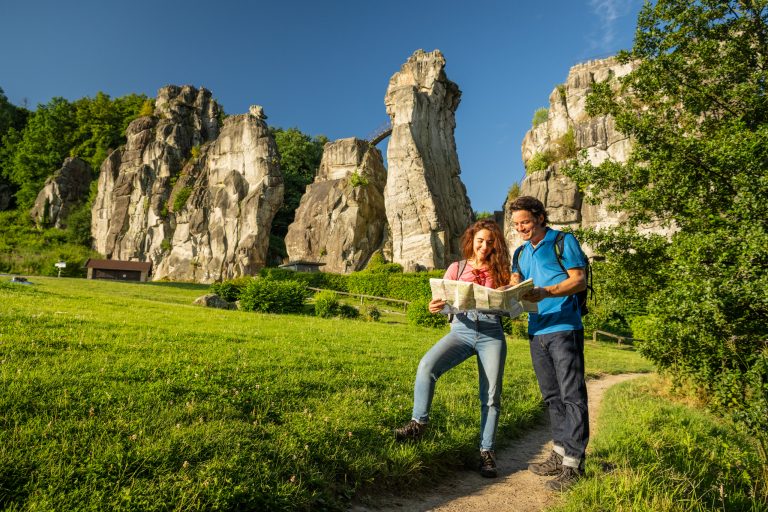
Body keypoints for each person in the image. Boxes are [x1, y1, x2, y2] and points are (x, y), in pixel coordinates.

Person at [394, 219, 512, 478]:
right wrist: (434, 306)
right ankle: (418, 423)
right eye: (480, 241)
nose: (484, 246)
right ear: (472, 240)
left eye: (490, 242)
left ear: (496, 244)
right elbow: (443, 302)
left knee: (491, 395)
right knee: (427, 365)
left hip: (492, 333)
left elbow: (512, 306)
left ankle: (487, 452)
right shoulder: (456, 268)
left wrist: (510, 292)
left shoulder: (503, 269)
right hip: (461, 330)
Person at [509, 196, 589, 492]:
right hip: (536, 329)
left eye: (526, 222)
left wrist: (546, 292)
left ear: (540, 217)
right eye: (517, 225)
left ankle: (574, 465)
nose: (521, 229)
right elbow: (520, 285)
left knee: (572, 396)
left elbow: (578, 280)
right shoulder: (520, 253)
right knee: (551, 396)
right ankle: (559, 453)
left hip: (564, 327)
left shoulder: (562, 241)